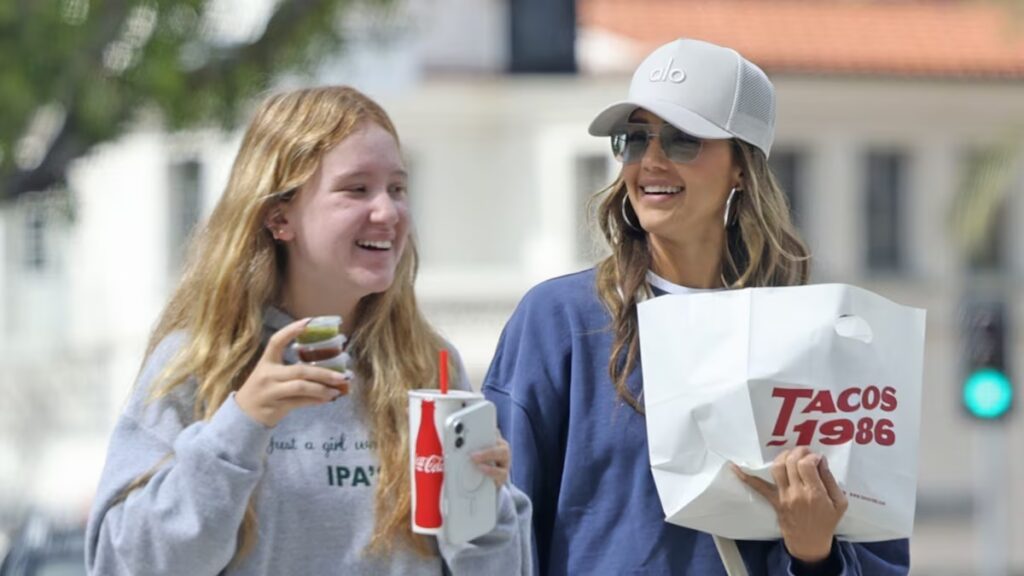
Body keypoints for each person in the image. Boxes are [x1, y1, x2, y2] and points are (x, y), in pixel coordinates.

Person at [482, 38, 909, 575]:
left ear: (741, 166)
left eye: (684, 140)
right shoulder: (559, 322)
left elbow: (881, 560)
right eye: (634, 139)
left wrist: (814, 553)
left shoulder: (822, 337)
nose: (652, 161)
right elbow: (495, 526)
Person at [85, 86, 531, 576]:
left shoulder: (427, 364)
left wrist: (483, 506)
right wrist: (242, 423)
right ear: (280, 217)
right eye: (356, 189)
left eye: (398, 189)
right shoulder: (197, 362)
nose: (387, 212)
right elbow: (125, 563)